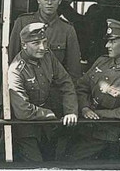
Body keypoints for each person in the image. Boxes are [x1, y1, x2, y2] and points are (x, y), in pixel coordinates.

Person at [70, 19, 120, 160]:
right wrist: (85, 108)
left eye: (112, 42)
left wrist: (97, 114)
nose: (107, 45)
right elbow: (82, 86)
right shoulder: (102, 61)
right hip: (83, 127)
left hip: (106, 136)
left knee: (72, 160)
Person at [7, 22, 79, 162]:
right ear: (24, 45)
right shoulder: (16, 70)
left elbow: (66, 83)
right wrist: (49, 114)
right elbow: (22, 111)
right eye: (36, 43)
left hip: (46, 126)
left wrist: (70, 111)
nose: (42, 47)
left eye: (45, 42)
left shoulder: (48, 56)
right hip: (25, 128)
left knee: (54, 161)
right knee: (36, 164)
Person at [8, 0, 82, 78]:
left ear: (60, 0)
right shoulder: (22, 23)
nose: (49, 3)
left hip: (55, 85)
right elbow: (12, 61)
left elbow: (74, 69)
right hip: (26, 84)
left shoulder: (67, 30)